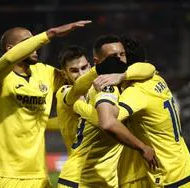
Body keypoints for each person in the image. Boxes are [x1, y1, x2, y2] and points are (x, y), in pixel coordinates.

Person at [0, 20, 92, 188]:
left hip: (39, 173)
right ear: (11, 48)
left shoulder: (45, 72)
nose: (35, 46)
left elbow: (79, 78)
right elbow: (8, 60)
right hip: (6, 173)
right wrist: (51, 34)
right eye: (28, 42)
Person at [93, 37, 190, 188]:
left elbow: (109, 122)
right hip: (187, 171)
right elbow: (147, 67)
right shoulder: (156, 78)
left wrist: (105, 92)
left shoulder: (136, 92)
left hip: (170, 178)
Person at [57, 35, 158, 188]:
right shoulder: (67, 91)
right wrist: (142, 147)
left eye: (84, 68)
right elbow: (104, 122)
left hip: (104, 178)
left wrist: (121, 75)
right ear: (64, 74)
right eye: (74, 71)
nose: (81, 74)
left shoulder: (101, 85)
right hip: (80, 177)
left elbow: (149, 68)